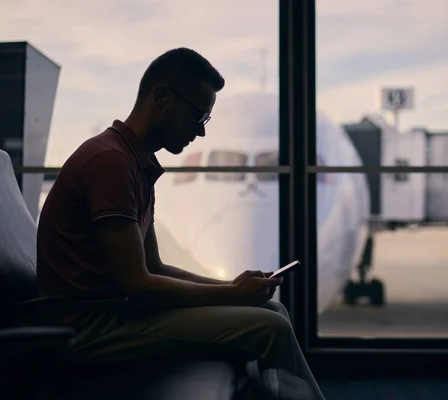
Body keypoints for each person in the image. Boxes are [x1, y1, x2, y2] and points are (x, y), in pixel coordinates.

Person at [36, 47, 325, 400]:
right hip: (94, 331)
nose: (200, 133)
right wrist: (231, 295)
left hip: (118, 317)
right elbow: (138, 284)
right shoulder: (110, 162)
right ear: (161, 98)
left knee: (270, 309)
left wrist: (232, 287)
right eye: (198, 117)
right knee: (272, 327)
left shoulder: (133, 162)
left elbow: (154, 266)